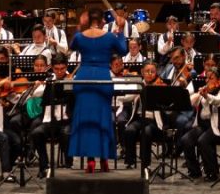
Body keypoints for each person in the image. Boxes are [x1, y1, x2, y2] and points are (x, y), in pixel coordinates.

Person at [68, 10, 127, 173]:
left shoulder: (81, 36)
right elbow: (123, 50)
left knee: (86, 119)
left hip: (84, 77)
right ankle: (104, 160)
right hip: (102, 76)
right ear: (102, 20)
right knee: (102, 118)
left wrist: (80, 27)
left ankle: (90, 161)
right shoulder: (109, 37)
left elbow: (71, 46)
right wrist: (121, 30)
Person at [181, 67, 220, 181]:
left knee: (203, 141)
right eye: (207, 78)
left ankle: (212, 172)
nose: (207, 80)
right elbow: (190, 103)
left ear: (219, 79)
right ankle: (194, 171)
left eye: (211, 78)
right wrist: (198, 94)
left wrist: (206, 95)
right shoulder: (206, 90)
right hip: (204, 125)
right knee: (186, 139)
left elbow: (218, 101)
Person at [122, 60, 167, 170]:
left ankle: (145, 163)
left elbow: (166, 104)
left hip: (154, 121)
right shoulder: (139, 85)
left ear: (156, 73)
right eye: (147, 71)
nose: (150, 74)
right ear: (142, 72)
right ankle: (130, 161)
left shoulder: (160, 85)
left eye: (152, 71)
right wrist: (136, 92)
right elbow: (125, 98)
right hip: (139, 118)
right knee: (129, 130)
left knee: (146, 132)